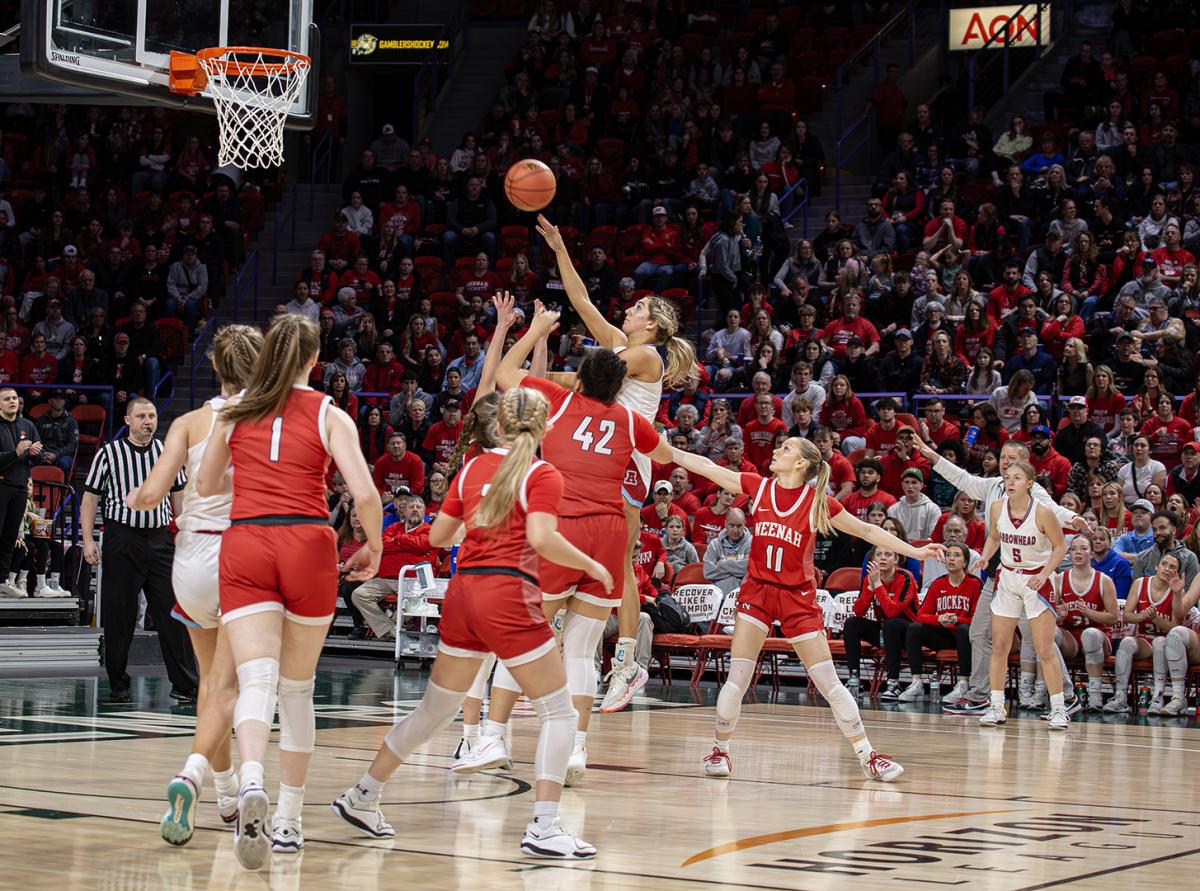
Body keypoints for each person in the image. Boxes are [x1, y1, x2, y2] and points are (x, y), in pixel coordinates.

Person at [331, 386, 610, 860]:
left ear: (497, 426)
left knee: (434, 710)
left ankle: (364, 794)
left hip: (463, 595)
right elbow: (542, 538)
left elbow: (439, 536)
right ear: (544, 428)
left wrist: (477, 522)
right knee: (559, 713)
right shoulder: (542, 473)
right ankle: (544, 827)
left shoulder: (471, 469)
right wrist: (592, 564)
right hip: (508, 595)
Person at [455, 297, 672, 784]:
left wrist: (536, 331)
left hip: (563, 529)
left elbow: (504, 375)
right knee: (579, 650)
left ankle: (492, 735)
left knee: (523, 634)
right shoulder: (630, 420)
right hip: (609, 533)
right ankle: (576, 747)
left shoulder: (559, 401)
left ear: (581, 378)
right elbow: (665, 454)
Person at [194, 315, 383, 869]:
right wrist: (373, 546)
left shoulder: (235, 408)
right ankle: (289, 820)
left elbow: (206, 483)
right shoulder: (329, 412)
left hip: (248, 541)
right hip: (307, 543)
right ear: (314, 359)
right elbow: (365, 494)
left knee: (256, 680)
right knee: (296, 690)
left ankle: (251, 778)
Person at [665, 434, 943, 781]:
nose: (776, 450)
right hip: (758, 591)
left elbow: (867, 530)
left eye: (786, 448)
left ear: (800, 463)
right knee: (737, 678)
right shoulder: (760, 487)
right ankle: (720, 750)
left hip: (797, 597)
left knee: (829, 683)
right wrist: (666, 450)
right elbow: (707, 467)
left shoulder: (817, 503)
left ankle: (868, 756)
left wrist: (914, 551)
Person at [537, 215, 695, 714]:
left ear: (653, 325)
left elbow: (589, 381)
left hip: (629, 458)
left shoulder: (647, 356)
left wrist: (532, 377)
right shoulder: (625, 344)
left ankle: (627, 661)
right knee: (571, 536)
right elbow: (582, 301)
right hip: (600, 456)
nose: (628, 308)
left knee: (619, 561)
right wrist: (560, 248)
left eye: (638, 307)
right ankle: (559, 637)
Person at [122, 324, 263, 846]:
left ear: (216, 367)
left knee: (211, 684)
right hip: (239, 553)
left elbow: (152, 493)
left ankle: (225, 794)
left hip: (190, 560)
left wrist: (134, 499)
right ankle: (193, 774)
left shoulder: (186, 422)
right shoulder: (264, 417)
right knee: (233, 688)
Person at [912, 435, 1084, 716]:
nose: (1004, 463)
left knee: (1038, 641)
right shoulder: (992, 487)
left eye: (1011, 459)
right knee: (979, 633)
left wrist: (1072, 519)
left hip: (1029, 577)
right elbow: (963, 479)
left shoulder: (1035, 492)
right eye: (1002, 457)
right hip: (998, 574)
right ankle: (982, 696)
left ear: (1026, 466)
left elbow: (1053, 510)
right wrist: (933, 456)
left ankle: (1065, 695)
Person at [81, 397, 197, 705]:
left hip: (160, 540)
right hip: (122, 540)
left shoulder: (167, 453)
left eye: (152, 416)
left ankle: (185, 685)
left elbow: (178, 495)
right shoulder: (109, 453)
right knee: (119, 617)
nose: (148, 421)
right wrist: (88, 540)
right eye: (142, 416)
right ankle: (118, 685)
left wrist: (184, 534)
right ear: (128, 421)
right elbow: (90, 498)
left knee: (173, 614)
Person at [973, 461, 1070, 729]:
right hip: (1007, 578)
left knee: (1043, 648)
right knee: (999, 646)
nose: (1010, 482)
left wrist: (1046, 573)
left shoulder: (1042, 512)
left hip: (1036, 579)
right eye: (1007, 477)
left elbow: (1060, 546)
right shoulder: (997, 507)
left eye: (1017, 478)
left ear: (1029, 483)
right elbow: (994, 537)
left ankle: (1059, 709)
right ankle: (996, 706)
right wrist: (985, 557)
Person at [1103, 551, 1182, 714]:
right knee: (1127, 642)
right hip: (1145, 641)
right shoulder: (1140, 583)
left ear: (1177, 573)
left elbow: (1176, 628)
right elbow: (1127, 616)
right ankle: (1120, 697)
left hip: (1168, 645)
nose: (1167, 569)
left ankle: (1158, 697)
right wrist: (1142, 616)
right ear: (1156, 566)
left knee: (1160, 642)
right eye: (1164, 564)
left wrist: (1156, 619)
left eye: (1172, 567)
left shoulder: (1177, 591)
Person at [899, 542, 980, 702]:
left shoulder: (974, 584)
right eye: (948, 555)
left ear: (965, 563)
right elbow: (921, 615)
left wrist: (958, 620)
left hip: (967, 637)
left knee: (963, 629)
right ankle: (916, 683)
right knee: (914, 628)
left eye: (956, 555)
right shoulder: (938, 584)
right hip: (944, 636)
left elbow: (978, 619)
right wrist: (938, 619)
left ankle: (964, 683)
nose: (951, 558)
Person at [350, 495, 438, 641]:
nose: (415, 509)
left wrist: (398, 539)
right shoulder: (393, 527)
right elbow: (382, 546)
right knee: (359, 594)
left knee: (412, 601)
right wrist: (409, 547)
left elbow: (422, 545)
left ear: (424, 512)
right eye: (411, 507)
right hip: (386, 578)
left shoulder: (430, 530)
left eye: (419, 507)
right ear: (404, 511)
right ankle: (390, 630)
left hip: (413, 580)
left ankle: (391, 631)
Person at [1052, 535, 1119, 712]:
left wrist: (1089, 612)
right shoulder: (1059, 579)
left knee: (1090, 635)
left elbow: (1113, 617)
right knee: (1049, 634)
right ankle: (1053, 691)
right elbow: (1052, 616)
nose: (1078, 552)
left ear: (1091, 553)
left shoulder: (1104, 580)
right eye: (1074, 549)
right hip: (1071, 636)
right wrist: (1059, 617)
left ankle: (1095, 694)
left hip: (1098, 634)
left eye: (1083, 548)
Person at [845, 545, 919, 701]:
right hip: (886, 631)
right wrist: (870, 588)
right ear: (873, 559)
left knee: (891, 623)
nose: (883, 558)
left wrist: (878, 585)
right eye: (878, 554)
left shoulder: (905, 577)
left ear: (896, 559)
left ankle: (893, 683)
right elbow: (859, 611)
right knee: (852, 623)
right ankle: (854, 680)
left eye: (888, 554)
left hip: (909, 634)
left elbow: (893, 611)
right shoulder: (869, 578)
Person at [0, 387, 42, 598]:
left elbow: (39, 457)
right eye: (6, 399)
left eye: (15, 398)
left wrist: (34, 453)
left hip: (19, 487)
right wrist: (15, 453)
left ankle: (2, 580)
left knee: (9, 537)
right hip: (1, 485)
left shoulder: (28, 425)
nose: (12, 401)